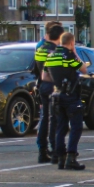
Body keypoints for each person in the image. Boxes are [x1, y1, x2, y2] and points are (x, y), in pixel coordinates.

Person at [45, 32, 88, 170]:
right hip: (70, 96)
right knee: (76, 127)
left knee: (60, 128)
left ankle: (61, 158)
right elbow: (83, 69)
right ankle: (71, 157)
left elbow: (45, 76)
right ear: (71, 43)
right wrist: (74, 52)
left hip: (57, 95)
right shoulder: (68, 56)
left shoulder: (50, 56)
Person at [34, 22, 64, 164]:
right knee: (54, 120)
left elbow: (37, 69)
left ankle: (42, 150)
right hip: (53, 86)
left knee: (44, 118)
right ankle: (55, 149)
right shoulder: (56, 51)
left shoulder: (40, 49)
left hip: (42, 86)